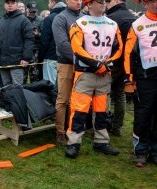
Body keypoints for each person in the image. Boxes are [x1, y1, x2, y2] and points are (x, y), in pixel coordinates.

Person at [65, 0, 123, 159]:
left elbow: (119, 48)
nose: (103, 3)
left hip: (104, 74)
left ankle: (101, 142)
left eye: (105, 1)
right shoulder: (80, 23)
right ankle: (74, 143)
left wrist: (108, 63)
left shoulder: (113, 24)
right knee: (79, 110)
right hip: (85, 73)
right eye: (99, 1)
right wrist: (96, 64)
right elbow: (77, 48)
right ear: (89, 5)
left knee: (102, 111)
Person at [124, 0, 157, 167]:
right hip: (145, 77)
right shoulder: (137, 25)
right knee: (143, 115)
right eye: (153, 1)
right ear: (145, 3)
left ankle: (155, 150)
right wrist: (129, 80)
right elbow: (128, 53)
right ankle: (141, 151)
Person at [52, 0, 83, 145]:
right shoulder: (61, 18)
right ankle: (60, 131)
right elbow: (62, 43)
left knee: (76, 99)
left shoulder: (84, 17)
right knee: (63, 99)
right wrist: (81, 59)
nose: (78, 2)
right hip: (66, 63)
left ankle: (73, 128)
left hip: (83, 64)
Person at [105, 0, 136, 136]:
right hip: (127, 63)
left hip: (113, 62)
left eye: (108, 1)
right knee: (120, 95)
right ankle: (117, 127)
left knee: (104, 94)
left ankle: (103, 126)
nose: (106, 3)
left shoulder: (111, 19)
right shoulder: (133, 17)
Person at [0, 0, 34, 86]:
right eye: (7, 3)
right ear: (4, 5)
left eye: (12, 3)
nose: (10, 5)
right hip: (2, 61)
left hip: (17, 62)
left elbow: (29, 40)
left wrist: (26, 57)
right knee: (6, 89)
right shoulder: (0, 21)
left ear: (16, 5)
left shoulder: (24, 21)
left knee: (17, 89)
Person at [38, 0, 66, 86]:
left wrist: (40, 58)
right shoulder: (70, 16)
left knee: (49, 86)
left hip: (51, 57)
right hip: (67, 58)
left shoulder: (49, 18)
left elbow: (44, 41)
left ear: (52, 2)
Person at [26, 1, 44, 83]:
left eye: (34, 11)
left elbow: (44, 35)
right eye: (31, 11)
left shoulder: (40, 20)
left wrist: (38, 34)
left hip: (35, 49)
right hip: (24, 48)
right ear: (27, 9)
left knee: (34, 74)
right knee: (23, 74)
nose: (32, 13)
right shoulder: (23, 19)